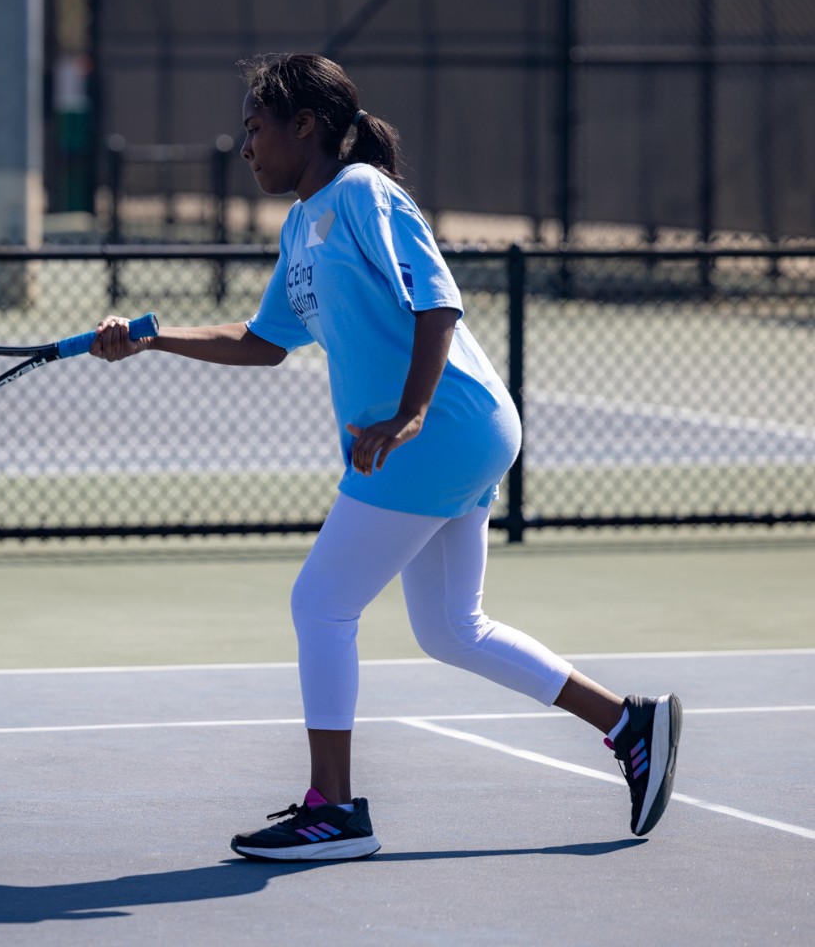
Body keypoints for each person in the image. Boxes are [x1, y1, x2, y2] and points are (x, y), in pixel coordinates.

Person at [90, 53, 682, 861]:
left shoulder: (363, 192)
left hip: (440, 431)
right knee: (451, 629)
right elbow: (264, 341)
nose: (246, 147)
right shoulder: (303, 224)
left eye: (256, 128)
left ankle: (332, 810)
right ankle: (628, 723)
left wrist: (409, 415)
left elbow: (438, 301)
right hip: (453, 435)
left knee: (321, 605)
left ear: (305, 126)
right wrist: (155, 338)